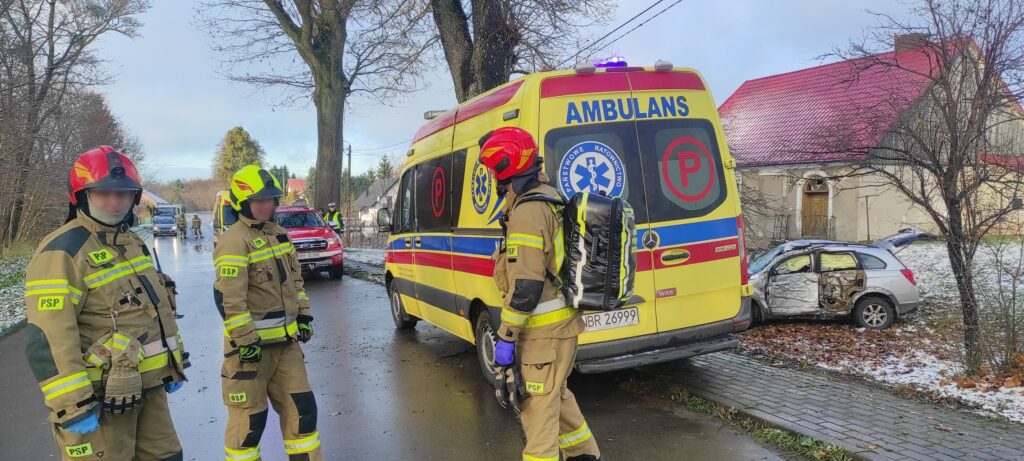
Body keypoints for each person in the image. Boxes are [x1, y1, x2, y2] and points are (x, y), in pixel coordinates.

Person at [24, 145, 189, 460]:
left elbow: (155, 310)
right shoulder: (62, 251)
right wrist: (75, 405)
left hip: (149, 392)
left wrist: (172, 365)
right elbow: (47, 338)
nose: (114, 202)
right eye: (103, 193)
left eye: (123, 194)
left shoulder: (133, 242)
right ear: (82, 196)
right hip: (100, 402)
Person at [479, 127, 602, 461]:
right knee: (558, 403)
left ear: (505, 169)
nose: (493, 178)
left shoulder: (528, 213)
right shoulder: (549, 195)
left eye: (494, 171)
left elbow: (526, 288)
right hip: (560, 330)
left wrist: (505, 337)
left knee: (538, 421)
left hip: (542, 337)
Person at [213, 165, 321, 461]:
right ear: (242, 203)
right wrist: (245, 341)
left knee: (303, 413)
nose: (265, 206)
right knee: (249, 424)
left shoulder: (279, 235)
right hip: (250, 352)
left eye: (270, 199)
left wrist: (303, 315)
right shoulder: (234, 240)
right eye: (258, 200)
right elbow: (229, 300)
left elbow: (296, 282)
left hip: (286, 347)